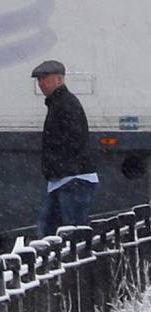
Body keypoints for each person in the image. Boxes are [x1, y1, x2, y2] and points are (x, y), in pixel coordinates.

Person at [33, 59, 100, 236]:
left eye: (45, 78)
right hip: (66, 179)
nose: (41, 84)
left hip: (72, 179)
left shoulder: (65, 104)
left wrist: (56, 167)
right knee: (55, 233)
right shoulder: (59, 103)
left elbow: (73, 141)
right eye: (39, 79)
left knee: (64, 233)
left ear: (59, 79)